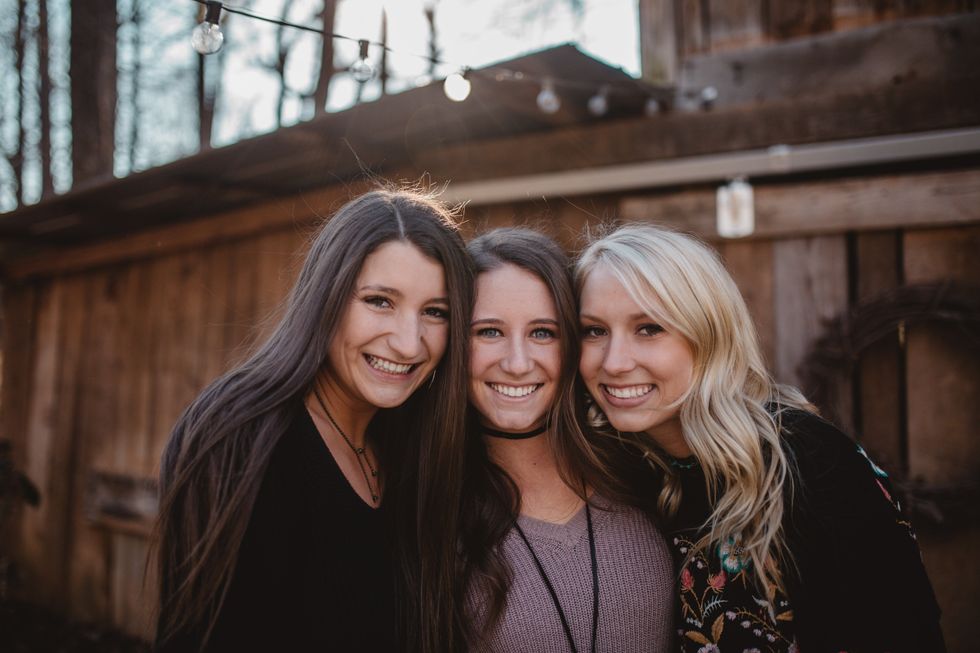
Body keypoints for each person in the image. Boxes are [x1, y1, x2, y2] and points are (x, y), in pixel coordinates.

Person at [575, 224, 945, 652]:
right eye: (594, 331)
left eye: (649, 328)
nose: (615, 362)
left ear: (709, 335)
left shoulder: (804, 460)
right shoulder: (621, 470)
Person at [154, 188, 473, 652]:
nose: (409, 343)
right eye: (380, 301)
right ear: (326, 296)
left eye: (435, 313)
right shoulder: (245, 437)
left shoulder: (408, 444)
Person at [457, 228, 674, 653]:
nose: (517, 364)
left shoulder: (647, 468)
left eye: (542, 332)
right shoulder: (423, 511)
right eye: (488, 332)